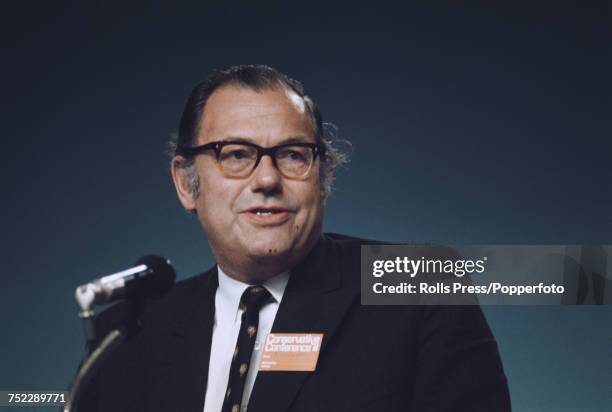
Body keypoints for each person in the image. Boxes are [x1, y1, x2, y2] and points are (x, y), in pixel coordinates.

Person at [81, 64, 511, 411]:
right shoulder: (124, 334)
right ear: (185, 183)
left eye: (291, 155)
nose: (267, 178)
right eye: (235, 155)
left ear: (322, 175)